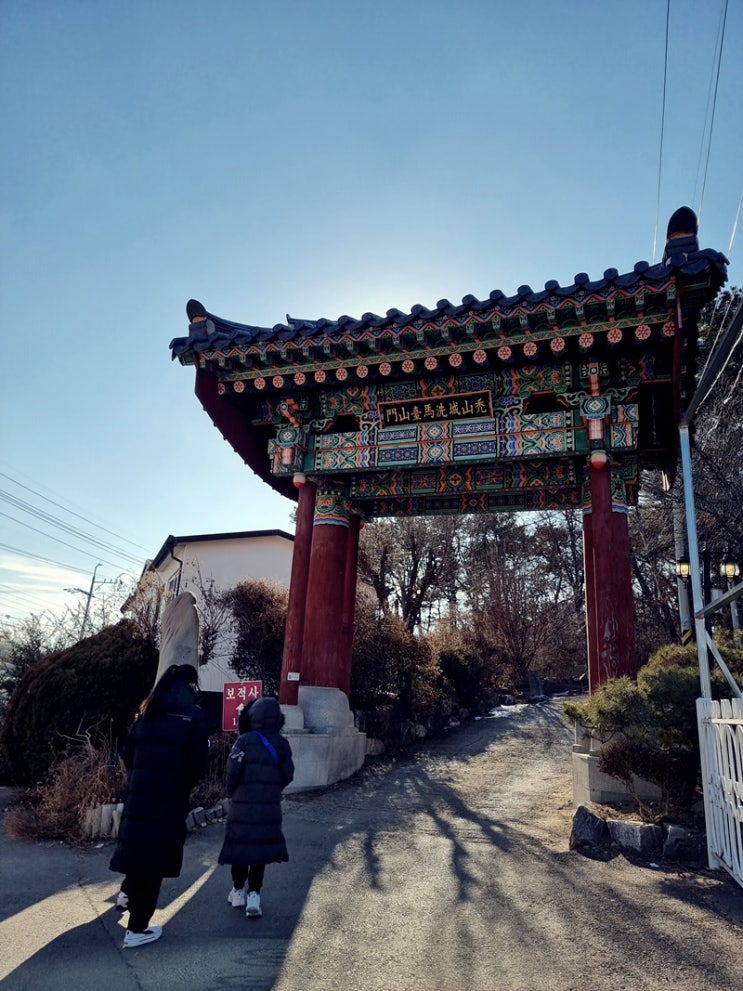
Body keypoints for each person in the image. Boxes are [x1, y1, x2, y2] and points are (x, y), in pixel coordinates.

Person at [109, 663, 209, 948]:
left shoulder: (146, 713)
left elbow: (127, 753)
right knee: (154, 862)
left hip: (139, 795)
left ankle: (127, 893)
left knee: (138, 848)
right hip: (169, 799)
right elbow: (197, 762)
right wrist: (182, 784)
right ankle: (137, 929)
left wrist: (142, 776)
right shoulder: (192, 716)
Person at [219, 696, 294, 918]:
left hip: (242, 802)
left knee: (240, 846)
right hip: (268, 805)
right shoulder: (282, 744)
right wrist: (272, 788)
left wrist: (233, 791)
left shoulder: (243, 740)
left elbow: (232, 771)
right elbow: (288, 774)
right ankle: (254, 894)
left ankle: (237, 890)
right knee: (260, 849)